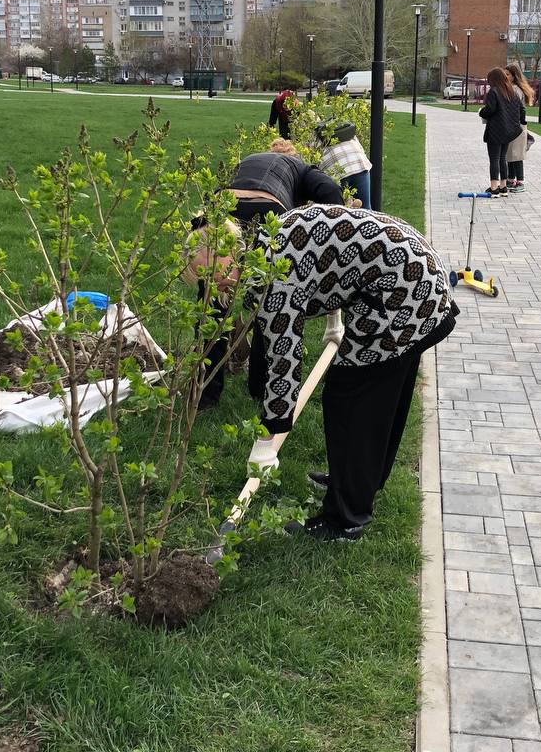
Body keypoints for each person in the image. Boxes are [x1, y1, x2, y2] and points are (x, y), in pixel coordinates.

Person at [187, 204, 458, 541]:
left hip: (406, 295)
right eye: (206, 281)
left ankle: (345, 519)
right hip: (412, 278)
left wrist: (267, 439)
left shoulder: (271, 276)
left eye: (215, 274)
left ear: (229, 250)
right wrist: (335, 322)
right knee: (385, 394)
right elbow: (331, 263)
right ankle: (361, 481)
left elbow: (284, 359)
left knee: (350, 398)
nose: (216, 287)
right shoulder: (266, 237)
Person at [196, 141, 346, 410]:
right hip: (267, 213)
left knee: (212, 300)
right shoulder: (299, 166)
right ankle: (259, 386)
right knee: (267, 304)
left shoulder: (249, 159)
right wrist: (328, 231)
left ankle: (205, 395)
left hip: (222, 213)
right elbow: (331, 190)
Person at [478, 67, 524, 196]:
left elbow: (490, 110)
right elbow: (519, 109)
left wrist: (482, 111)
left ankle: (494, 188)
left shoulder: (494, 92)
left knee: (494, 159)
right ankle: (503, 187)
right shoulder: (511, 92)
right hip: (508, 131)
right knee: (502, 159)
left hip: (495, 131)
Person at [318, 122, 373, 208]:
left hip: (336, 170)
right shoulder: (341, 127)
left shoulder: (309, 136)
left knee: (339, 211)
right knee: (365, 208)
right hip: (359, 163)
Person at [504, 64, 534, 193]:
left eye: (508, 74)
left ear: (514, 76)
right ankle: (511, 179)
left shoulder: (516, 90)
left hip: (517, 126)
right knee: (510, 154)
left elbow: (515, 109)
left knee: (516, 155)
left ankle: (520, 181)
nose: (506, 76)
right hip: (513, 126)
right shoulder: (512, 88)